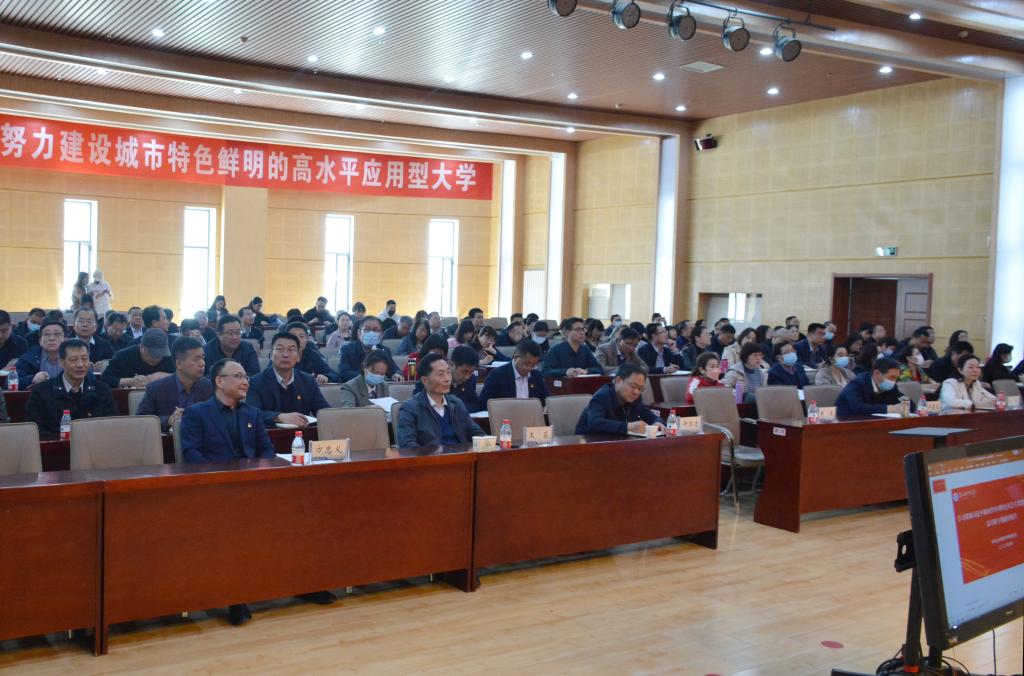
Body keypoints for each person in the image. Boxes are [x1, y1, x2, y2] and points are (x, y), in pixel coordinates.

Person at [25, 338, 118, 438]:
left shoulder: (102, 390)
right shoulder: (41, 392)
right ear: (62, 362)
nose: (80, 365)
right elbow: (35, 431)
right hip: (57, 446)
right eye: (73, 360)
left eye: (84, 359)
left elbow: (112, 425)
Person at [396, 353, 485, 449]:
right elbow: (407, 445)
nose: (447, 379)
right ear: (424, 380)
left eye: (448, 373)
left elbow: (477, 433)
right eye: (441, 374)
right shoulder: (410, 409)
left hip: (462, 456)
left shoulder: (456, 403)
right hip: (431, 457)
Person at [246, 332, 330, 428]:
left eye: (291, 350)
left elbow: (323, 411)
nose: (285, 354)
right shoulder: (256, 382)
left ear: (298, 357)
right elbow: (252, 413)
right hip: (270, 434)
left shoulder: (308, 380)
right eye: (280, 349)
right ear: (271, 355)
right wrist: (279, 417)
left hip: (303, 434)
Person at [137, 336, 213, 432]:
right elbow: (141, 420)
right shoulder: (156, 389)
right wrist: (169, 420)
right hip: (170, 440)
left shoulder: (208, 386)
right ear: (179, 364)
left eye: (203, 358)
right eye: (196, 359)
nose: (202, 363)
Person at [574, 364, 663, 435]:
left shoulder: (635, 398)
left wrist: (658, 423)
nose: (636, 392)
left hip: (616, 442)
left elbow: (650, 416)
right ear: (618, 380)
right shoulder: (602, 396)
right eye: (633, 386)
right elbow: (595, 423)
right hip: (588, 444)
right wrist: (627, 426)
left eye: (640, 388)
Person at [478, 339, 550, 409]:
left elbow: (546, 400)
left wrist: (547, 407)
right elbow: (484, 404)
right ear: (516, 357)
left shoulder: (536, 375)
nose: (529, 368)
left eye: (533, 364)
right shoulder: (497, 375)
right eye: (526, 363)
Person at [413, 345, 482, 412]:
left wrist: (454, 408)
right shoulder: (431, 378)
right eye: (464, 371)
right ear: (451, 364)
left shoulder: (471, 379)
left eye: (471, 372)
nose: (467, 377)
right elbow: (418, 404)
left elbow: (475, 405)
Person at [836, 357, 910, 417]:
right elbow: (858, 408)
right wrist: (888, 409)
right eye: (892, 377)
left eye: (896, 378)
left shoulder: (891, 386)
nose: (894, 381)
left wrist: (904, 406)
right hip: (845, 423)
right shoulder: (857, 384)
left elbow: (909, 403)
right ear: (876, 373)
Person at [101, 329, 175, 389]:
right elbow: (106, 378)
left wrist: (162, 376)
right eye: (153, 355)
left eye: (160, 355)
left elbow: (181, 376)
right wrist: (130, 381)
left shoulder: (170, 357)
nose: (156, 358)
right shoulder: (123, 356)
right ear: (141, 347)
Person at [337, 316, 401, 383]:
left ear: (381, 334)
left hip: (379, 386)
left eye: (375, 330)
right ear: (359, 333)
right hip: (356, 385)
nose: (371, 333)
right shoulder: (347, 349)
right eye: (367, 329)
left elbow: (393, 368)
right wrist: (367, 376)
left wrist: (396, 374)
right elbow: (343, 373)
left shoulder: (384, 350)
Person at [15, 319, 66, 389]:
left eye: (56, 334)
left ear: (64, 339)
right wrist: (32, 379)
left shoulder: (73, 356)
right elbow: (11, 380)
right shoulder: (30, 357)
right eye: (47, 334)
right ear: (40, 341)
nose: (51, 338)